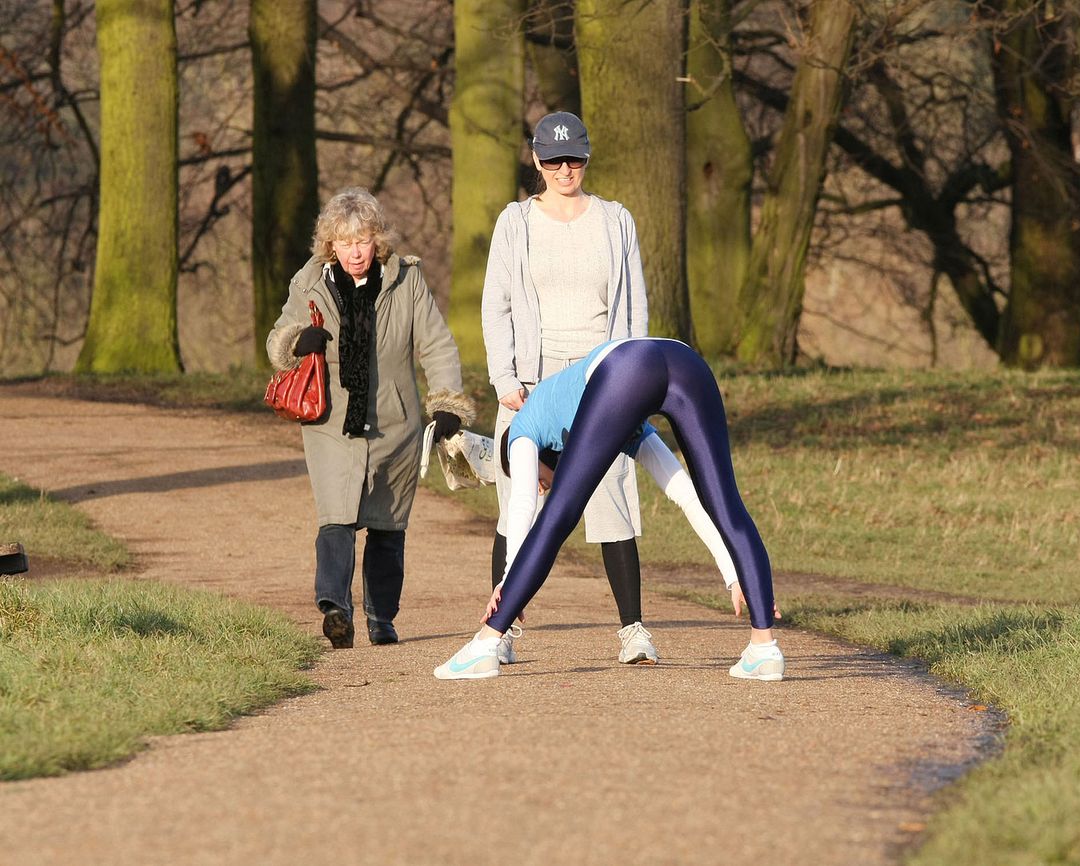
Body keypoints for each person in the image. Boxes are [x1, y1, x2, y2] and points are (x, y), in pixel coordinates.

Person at [434, 337, 784, 682]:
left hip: (627, 368)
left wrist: (509, 582)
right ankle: (764, 648)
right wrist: (734, 574)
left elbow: (523, 505)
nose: (541, 485)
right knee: (726, 503)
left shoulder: (523, 428)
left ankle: (485, 645)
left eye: (539, 478)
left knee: (558, 516)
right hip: (685, 361)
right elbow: (686, 496)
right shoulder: (616, 421)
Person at [481, 110, 656, 667]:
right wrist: (505, 378)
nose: (564, 169)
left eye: (573, 159)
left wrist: (635, 382)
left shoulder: (615, 221)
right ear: (536, 160)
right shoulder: (515, 223)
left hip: (602, 378)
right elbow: (496, 306)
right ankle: (501, 631)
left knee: (612, 498)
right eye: (553, 160)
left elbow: (634, 309)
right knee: (518, 507)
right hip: (532, 382)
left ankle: (633, 630)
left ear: (586, 158)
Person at [267, 187, 474, 649]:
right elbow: (277, 338)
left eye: (362, 241)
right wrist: (297, 341)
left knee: (387, 526)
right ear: (330, 245)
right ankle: (335, 610)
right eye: (345, 243)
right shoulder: (308, 281)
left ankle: (382, 617)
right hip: (330, 422)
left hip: (396, 424)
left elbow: (436, 344)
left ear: (377, 240)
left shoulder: (407, 280)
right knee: (335, 518)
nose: (355, 252)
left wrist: (446, 403)